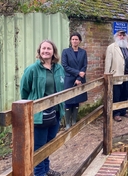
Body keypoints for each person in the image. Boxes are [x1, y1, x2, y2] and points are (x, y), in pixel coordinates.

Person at [20, 40, 65, 176]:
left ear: (53, 52)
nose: (46, 51)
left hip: (55, 112)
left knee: (49, 143)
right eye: (43, 48)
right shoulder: (32, 69)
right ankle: (39, 173)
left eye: (49, 48)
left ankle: (46, 169)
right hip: (40, 115)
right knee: (39, 146)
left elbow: (62, 89)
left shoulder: (59, 68)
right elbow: (24, 91)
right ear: (39, 52)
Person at [104, 29, 128, 122]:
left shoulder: (126, 46)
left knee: (125, 94)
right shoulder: (111, 47)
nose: (122, 37)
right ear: (116, 36)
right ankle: (116, 113)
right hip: (116, 75)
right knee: (116, 96)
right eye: (120, 35)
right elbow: (108, 62)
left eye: (123, 35)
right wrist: (107, 75)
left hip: (127, 75)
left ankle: (123, 111)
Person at [61, 32, 88, 130]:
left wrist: (79, 78)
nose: (74, 41)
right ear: (70, 41)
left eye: (76, 39)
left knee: (77, 100)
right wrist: (77, 73)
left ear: (79, 41)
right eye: (73, 39)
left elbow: (84, 66)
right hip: (69, 79)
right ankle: (67, 123)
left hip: (80, 79)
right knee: (68, 100)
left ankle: (74, 121)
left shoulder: (83, 52)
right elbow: (65, 66)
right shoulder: (66, 52)